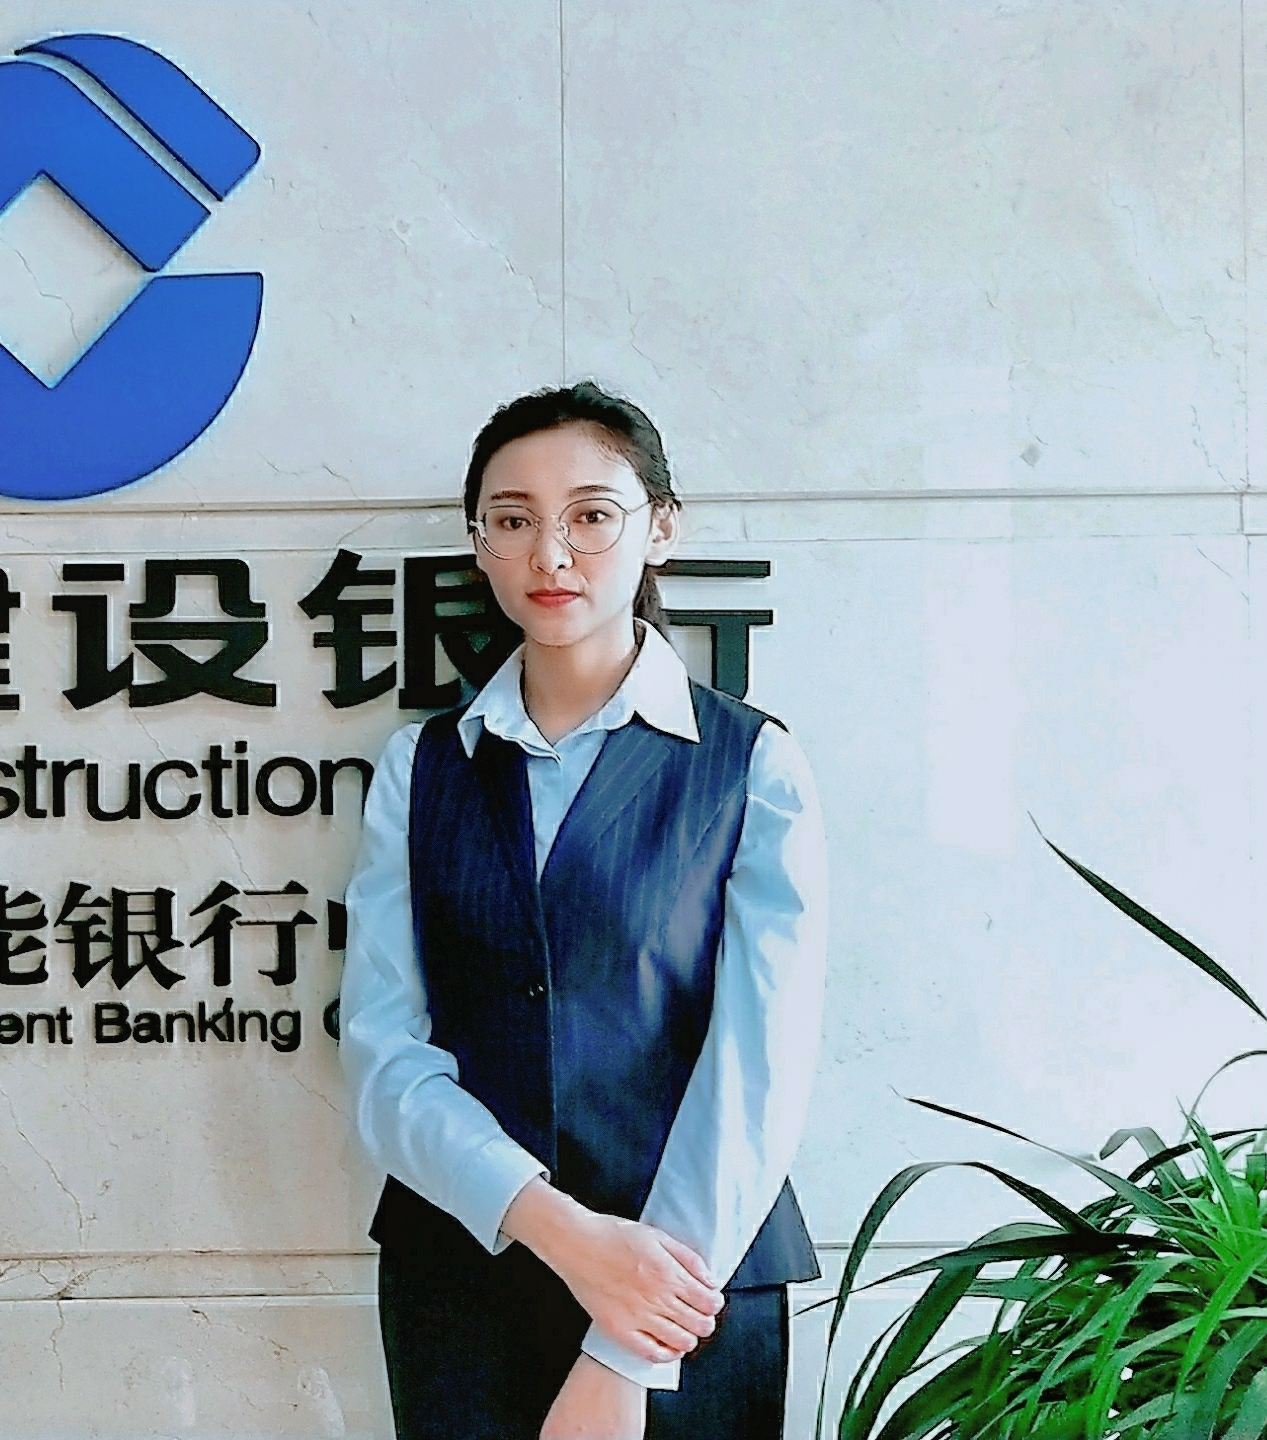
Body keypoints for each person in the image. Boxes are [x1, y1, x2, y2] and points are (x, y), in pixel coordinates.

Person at [338, 383, 827, 1439]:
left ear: (661, 528)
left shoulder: (749, 764)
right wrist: (560, 1231)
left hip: (691, 1288)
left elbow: (757, 1070)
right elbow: (384, 1055)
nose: (550, 555)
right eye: (512, 520)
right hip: (462, 1277)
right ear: (479, 544)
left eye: (591, 515)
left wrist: (625, 1346)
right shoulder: (422, 768)